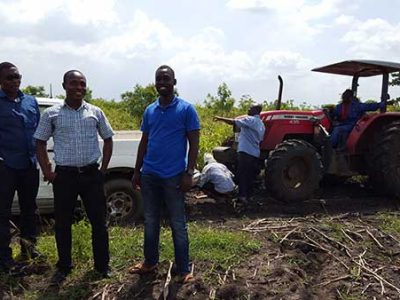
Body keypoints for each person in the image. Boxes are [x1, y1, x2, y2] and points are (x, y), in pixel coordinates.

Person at [34, 70, 114, 282]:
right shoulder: (52, 113)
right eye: (73, 83)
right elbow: (40, 142)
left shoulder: (95, 112)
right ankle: (64, 265)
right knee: (62, 223)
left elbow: (108, 138)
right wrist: (48, 170)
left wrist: (103, 169)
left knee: (99, 222)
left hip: (91, 175)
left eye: (82, 84)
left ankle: (102, 265)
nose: (78, 87)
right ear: (64, 86)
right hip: (65, 177)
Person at [129, 65, 200, 284]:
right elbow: (144, 141)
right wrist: (137, 170)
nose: (162, 82)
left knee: (178, 222)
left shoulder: (186, 109)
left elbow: (194, 142)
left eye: (166, 78)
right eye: (159, 79)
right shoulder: (150, 110)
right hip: (150, 174)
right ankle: (150, 262)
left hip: (174, 176)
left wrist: (189, 172)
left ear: (174, 82)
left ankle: (184, 268)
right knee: (150, 220)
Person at [0, 62, 41, 272]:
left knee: (29, 210)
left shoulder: (31, 102)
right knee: (3, 213)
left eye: (17, 77)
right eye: (9, 78)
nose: (15, 81)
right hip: (5, 167)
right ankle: (4, 258)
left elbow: (39, 133)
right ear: (1, 80)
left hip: (29, 165)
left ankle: (29, 249)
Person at [214, 105, 265, 206]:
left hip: (245, 151)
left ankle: (242, 197)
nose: (248, 109)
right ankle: (249, 197)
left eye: (250, 108)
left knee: (242, 174)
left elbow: (234, 122)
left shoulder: (250, 120)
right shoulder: (261, 124)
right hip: (255, 153)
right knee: (250, 175)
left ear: (255, 111)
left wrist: (220, 118)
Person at [330, 89, 394, 148]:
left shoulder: (356, 106)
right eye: (344, 96)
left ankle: (331, 147)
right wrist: (330, 113)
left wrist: (381, 104)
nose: (345, 97)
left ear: (350, 97)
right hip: (343, 123)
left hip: (353, 125)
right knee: (331, 128)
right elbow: (335, 114)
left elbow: (369, 106)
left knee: (337, 130)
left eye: (347, 96)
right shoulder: (339, 106)